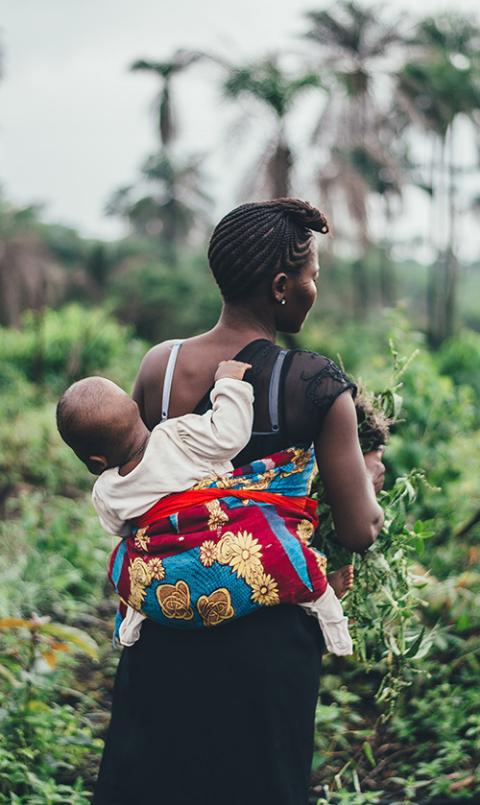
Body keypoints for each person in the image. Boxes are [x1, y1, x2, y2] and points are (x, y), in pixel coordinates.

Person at [92, 198, 384, 805]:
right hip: (265, 645)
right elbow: (358, 532)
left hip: (166, 623)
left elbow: (147, 479)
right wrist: (369, 481)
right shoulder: (315, 384)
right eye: (311, 278)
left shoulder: (160, 368)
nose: (313, 289)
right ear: (282, 286)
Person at [56, 361, 353, 654]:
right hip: (223, 543)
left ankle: (131, 624)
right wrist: (228, 384)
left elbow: (122, 530)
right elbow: (229, 435)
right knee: (278, 548)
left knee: (125, 561)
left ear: (95, 462)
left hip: (169, 577)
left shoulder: (106, 490)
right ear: (136, 411)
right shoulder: (175, 434)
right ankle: (327, 607)